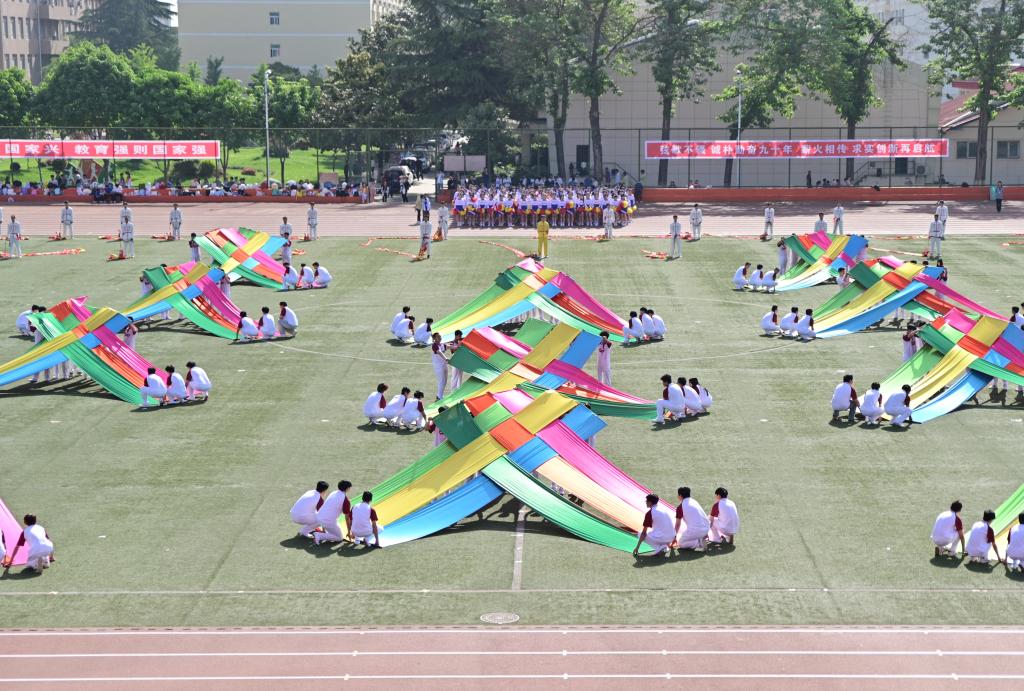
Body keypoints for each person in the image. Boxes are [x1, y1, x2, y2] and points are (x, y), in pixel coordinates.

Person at [313, 480, 354, 545]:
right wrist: (349, 532)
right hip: (327, 521)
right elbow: (347, 518)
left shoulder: (333, 492)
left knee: (336, 525)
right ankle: (319, 535)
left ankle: (324, 531)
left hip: (319, 517)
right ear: (347, 489)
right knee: (339, 537)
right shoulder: (346, 501)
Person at [674, 487, 710, 551]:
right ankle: (700, 538)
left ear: (680, 496)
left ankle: (699, 543)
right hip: (706, 528)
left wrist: (674, 537)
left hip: (696, 530)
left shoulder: (680, 507)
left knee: (681, 543)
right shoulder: (694, 501)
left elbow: (677, 524)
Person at [431, 332, 449, 400]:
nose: (440, 338)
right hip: (438, 366)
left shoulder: (442, 344)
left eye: (440, 336)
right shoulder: (434, 345)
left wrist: (457, 346)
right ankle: (439, 396)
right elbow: (439, 352)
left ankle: (440, 395)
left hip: (444, 365)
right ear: (434, 338)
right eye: (438, 337)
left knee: (445, 381)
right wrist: (446, 358)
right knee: (441, 381)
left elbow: (449, 346)